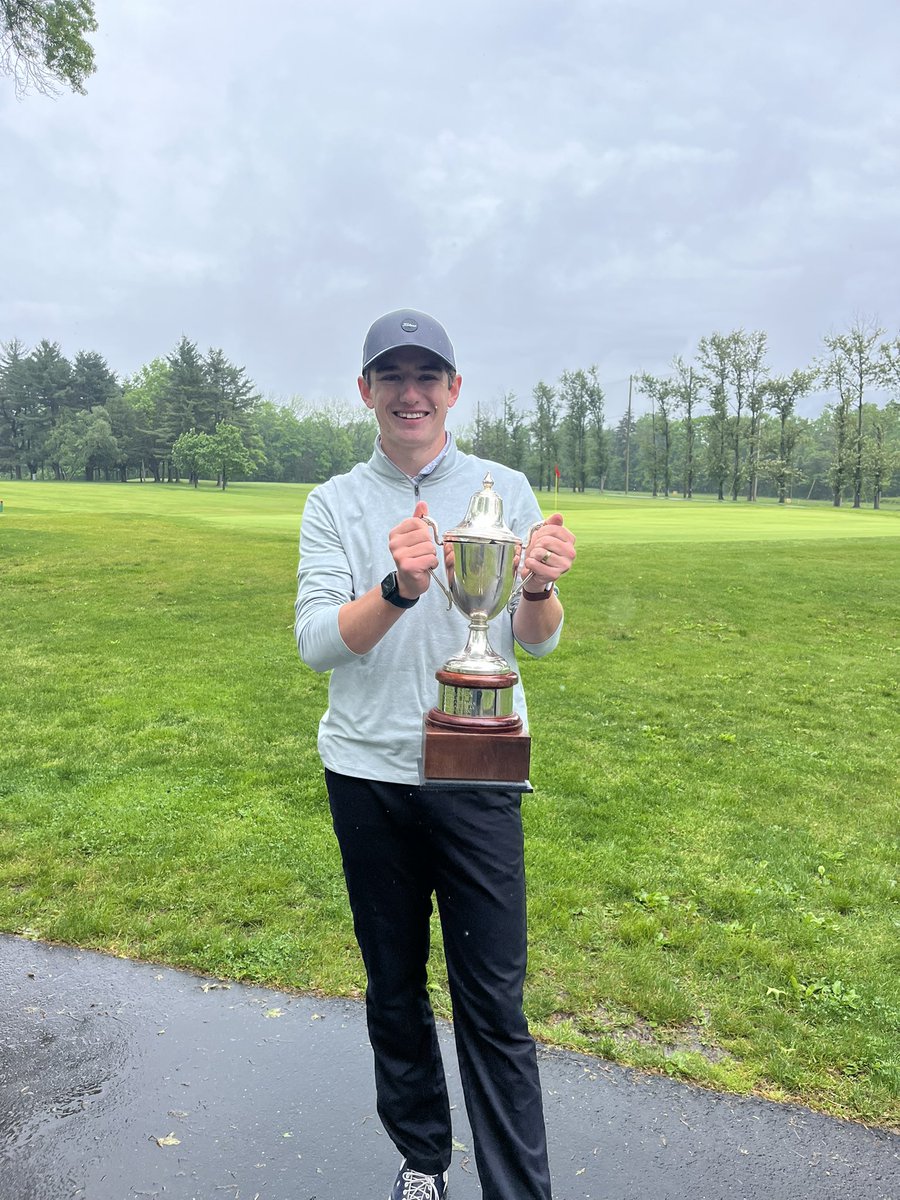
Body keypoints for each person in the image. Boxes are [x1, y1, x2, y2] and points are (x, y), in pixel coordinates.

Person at [294, 309, 576, 1200]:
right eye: (392, 377)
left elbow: (536, 642)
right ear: (367, 392)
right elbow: (317, 642)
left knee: (492, 999)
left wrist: (536, 585)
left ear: (454, 390)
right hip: (368, 772)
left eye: (428, 376)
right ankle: (423, 1159)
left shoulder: (504, 486)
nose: (410, 393)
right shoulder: (335, 502)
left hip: (478, 771)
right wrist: (400, 588)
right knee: (393, 988)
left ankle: (516, 1190)